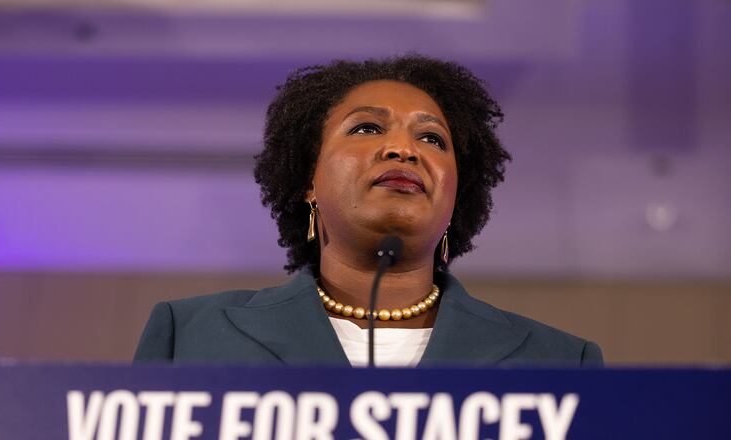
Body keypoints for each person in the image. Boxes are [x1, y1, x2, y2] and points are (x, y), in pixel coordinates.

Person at [134, 55, 603, 367]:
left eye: (431, 139)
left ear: (457, 194)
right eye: (366, 129)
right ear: (307, 182)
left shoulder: (560, 362)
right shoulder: (190, 336)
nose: (403, 148)